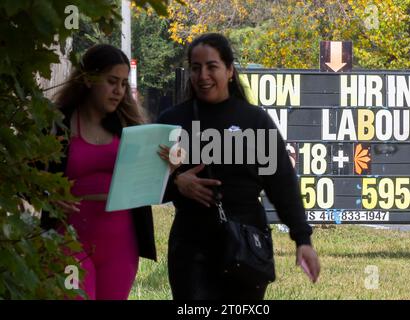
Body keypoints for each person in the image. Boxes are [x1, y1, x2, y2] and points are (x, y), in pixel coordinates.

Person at [157, 33, 320, 300]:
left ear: (230, 71)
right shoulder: (172, 122)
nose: (203, 75)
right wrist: (177, 183)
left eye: (212, 67)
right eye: (196, 68)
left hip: (246, 247)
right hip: (191, 247)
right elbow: (147, 187)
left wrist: (303, 240)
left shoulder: (254, 121)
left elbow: (282, 184)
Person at [41, 44, 156, 300]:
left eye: (124, 84)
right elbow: (27, 176)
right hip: (68, 238)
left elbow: (151, 182)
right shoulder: (57, 123)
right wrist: (47, 194)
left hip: (120, 243)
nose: (119, 91)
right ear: (89, 79)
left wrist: (166, 166)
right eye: (112, 81)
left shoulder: (130, 127)